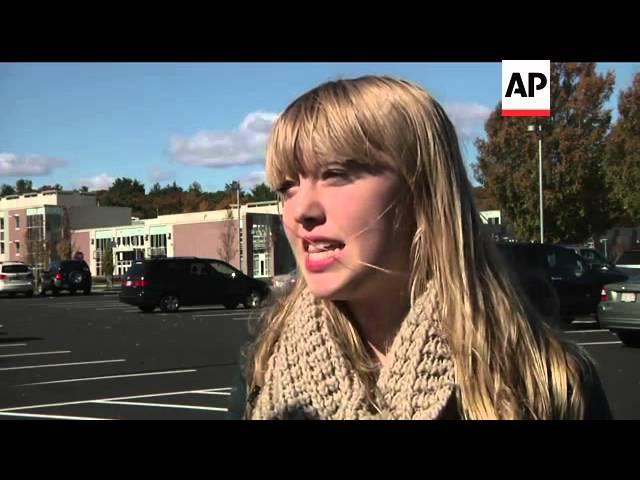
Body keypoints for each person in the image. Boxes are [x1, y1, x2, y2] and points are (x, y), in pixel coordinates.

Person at [227, 75, 612, 420]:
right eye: (287, 187)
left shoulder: (546, 383)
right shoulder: (266, 367)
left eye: (335, 174)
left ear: (423, 190)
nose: (301, 210)